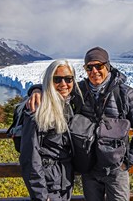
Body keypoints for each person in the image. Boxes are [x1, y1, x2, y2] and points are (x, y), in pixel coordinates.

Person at [28, 47, 133, 201]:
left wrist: (128, 161)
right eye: (89, 67)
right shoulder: (79, 91)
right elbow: (58, 88)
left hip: (116, 169)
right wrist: (37, 90)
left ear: (108, 66)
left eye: (99, 66)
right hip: (89, 167)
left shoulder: (125, 94)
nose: (94, 71)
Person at [19, 59, 83, 201]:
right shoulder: (37, 111)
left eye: (68, 79)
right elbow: (30, 158)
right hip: (48, 187)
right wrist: (41, 196)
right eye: (57, 79)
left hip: (64, 182)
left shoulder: (69, 104)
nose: (63, 84)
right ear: (49, 80)